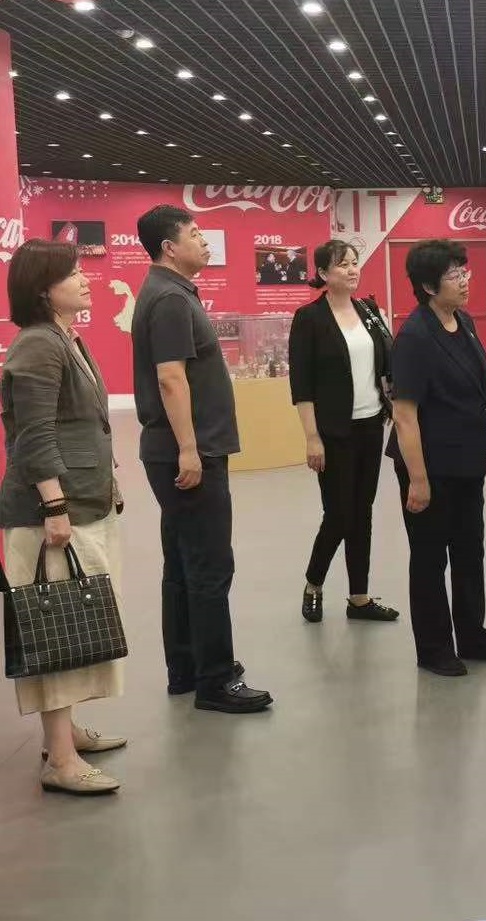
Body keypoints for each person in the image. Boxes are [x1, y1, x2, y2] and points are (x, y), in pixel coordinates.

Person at [132, 205, 272, 714]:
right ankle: (215, 679)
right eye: (195, 234)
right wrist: (189, 448)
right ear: (170, 247)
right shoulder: (170, 298)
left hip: (179, 450)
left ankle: (186, 668)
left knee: (183, 563)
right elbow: (171, 377)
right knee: (211, 565)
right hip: (190, 453)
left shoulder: (169, 291)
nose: (205, 240)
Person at [0, 240, 126, 795]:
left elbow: (84, 422)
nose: (86, 278)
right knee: (56, 627)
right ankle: (61, 760)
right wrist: (53, 504)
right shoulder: (37, 344)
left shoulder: (65, 338)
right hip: (51, 511)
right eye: (73, 273)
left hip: (83, 500)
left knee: (75, 623)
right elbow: (33, 433)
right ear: (43, 289)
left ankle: (63, 735)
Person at [386, 240, 486, 677]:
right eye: (454, 275)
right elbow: (405, 415)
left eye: (464, 271)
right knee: (429, 558)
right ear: (428, 286)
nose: (464, 281)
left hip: (466, 461)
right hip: (429, 465)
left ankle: (472, 635)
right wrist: (418, 480)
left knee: (468, 550)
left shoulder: (464, 321)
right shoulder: (414, 338)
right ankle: (434, 648)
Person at [288, 240, 399, 624]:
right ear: (323, 273)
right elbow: (302, 385)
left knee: (362, 512)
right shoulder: (309, 318)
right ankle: (313, 583)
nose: (353, 270)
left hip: (371, 424)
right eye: (343, 265)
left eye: (355, 262)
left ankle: (359, 597)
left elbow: (386, 362)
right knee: (338, 514)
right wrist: (312, 437)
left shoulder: (368, 311)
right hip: (333, 431)